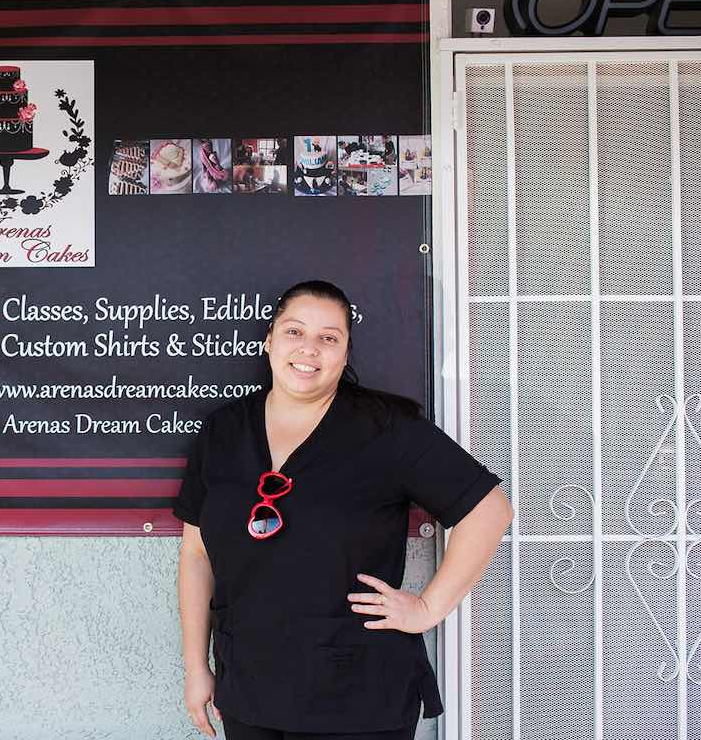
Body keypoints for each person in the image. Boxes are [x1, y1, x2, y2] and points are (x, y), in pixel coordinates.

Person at [175, 280, 513, 740]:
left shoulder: (385, 429)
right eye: (295, 332)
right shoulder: (224, 431)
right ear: (270, 340)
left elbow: (489, 509)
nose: (309, 349)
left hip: (358, 696)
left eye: (328, 338)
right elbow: (196, 556)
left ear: (346, 352)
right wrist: (197, 666)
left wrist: (428, 607)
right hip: (249, 689)